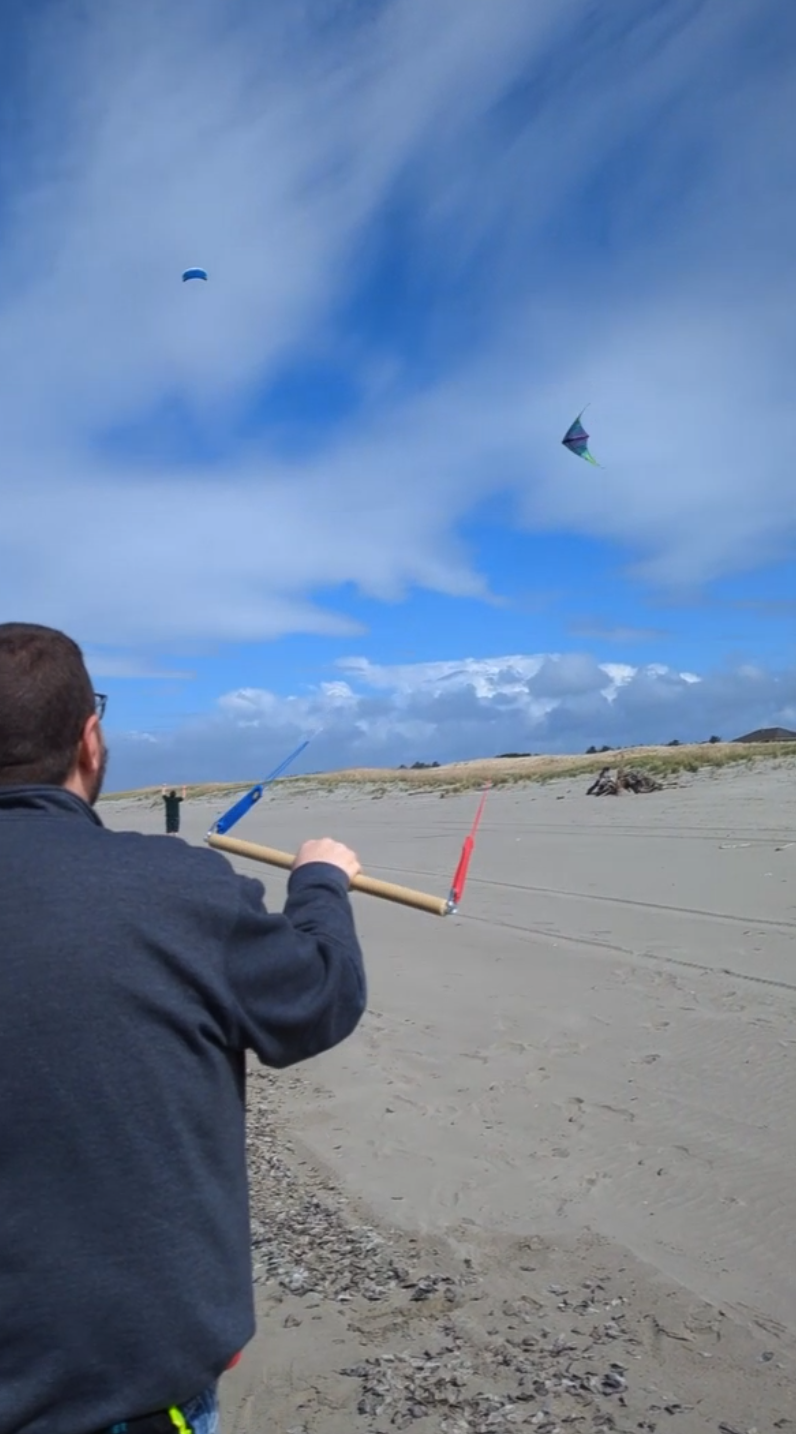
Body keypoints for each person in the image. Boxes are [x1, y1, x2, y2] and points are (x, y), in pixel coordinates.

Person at [0, 622, 367, 1434]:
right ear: (90, 741)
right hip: (123, 1385)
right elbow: (318, 997)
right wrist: (318, 883)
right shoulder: (175, 887)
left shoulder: (171, 886)